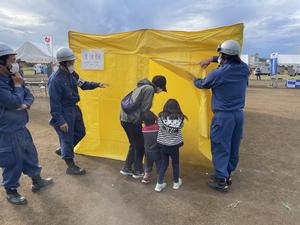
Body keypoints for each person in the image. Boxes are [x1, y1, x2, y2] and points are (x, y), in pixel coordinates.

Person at [0, 43, 53, 205]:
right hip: (7, 131)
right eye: (12, 60)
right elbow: (12, 101)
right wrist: (17, 87)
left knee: (30, 154)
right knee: (12, 160)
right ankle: (11, 191)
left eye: (15, 60)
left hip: (20, 127)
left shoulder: (13, 76)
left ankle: (37, 181)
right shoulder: (8, 81)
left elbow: (29, 95)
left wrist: (25, 104)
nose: (15, 63)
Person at [194, 40, 249, 192]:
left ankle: (220, 181)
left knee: (220, 146)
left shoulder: (219, 73)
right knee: (233, 146)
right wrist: (211, 59)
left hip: (223, 117)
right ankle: (227, 175)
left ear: (223, 55)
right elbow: (226, 59)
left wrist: (193, 79)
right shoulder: (244, 68)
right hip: (238, 115)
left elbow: (203, 84)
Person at [48, 47, 109, 175]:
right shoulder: (55, 80)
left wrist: (97, 84)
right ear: (63, 63)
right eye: (70, 62)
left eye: (73, 61)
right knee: (67, 138)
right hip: (64, 111)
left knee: (81, 132)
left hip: (74, 108)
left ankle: (64, 149)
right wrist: (61, 121)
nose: (73, 64)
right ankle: (70, 165)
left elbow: (83, 84)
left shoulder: (72, 74)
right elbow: (54, 103)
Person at [120, 75, 167, 179]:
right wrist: (154, 121)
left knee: (133, 144)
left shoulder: (142, 86)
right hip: (132, 121)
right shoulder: (149, 89)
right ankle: (137, 171)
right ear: (159, 87)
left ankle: (126, 168)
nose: (160, 92)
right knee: (140, 145)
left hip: (124, 119)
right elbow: (145, 110)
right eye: (162, 89)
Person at [155, 99, 185, 192]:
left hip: (163, 145)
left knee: (164, 163)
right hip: (174, 146)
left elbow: (158, 125)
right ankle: (176, 183)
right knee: (175, 164)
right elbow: (181, 126)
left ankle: (159, 184)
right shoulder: (180, 118)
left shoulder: (160, 117)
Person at [141, 111, 161, 184]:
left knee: (148, 164)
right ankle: (160, 179)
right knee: (159, 164)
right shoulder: (158, 128)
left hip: (148, 151)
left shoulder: (143, 130)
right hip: (157, 151)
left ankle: (146, 177)